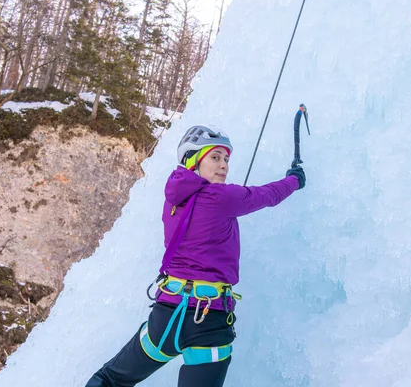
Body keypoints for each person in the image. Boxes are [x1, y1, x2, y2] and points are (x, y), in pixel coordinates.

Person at [86, 125, 306, 387]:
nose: (223, 165)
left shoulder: (173, 198)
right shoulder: (220, 196)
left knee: (110, 379)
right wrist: (295, 179)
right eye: (215, 157)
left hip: (166, 320)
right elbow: (266, 195)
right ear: (193, 160)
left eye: (226, 159)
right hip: (208, 322)